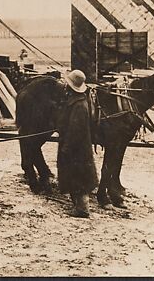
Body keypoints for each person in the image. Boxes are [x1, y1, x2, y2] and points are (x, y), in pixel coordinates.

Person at [57, 70, 99, 218]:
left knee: (80, 177)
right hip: (76, 146)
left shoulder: (80, 105)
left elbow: (75, 129)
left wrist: (67, 147)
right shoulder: (76, 100)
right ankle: (78, 206)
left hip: (77, 148)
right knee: (75, 176)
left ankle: (82, 209)